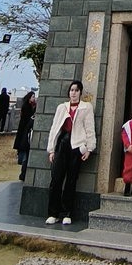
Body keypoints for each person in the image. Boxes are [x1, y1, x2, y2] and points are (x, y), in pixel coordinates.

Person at [45, 80, 96, 225]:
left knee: (71, 181)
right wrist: (51, 149)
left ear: (80, 93)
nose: (73, 93)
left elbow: (89, 128)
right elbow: (54, 129)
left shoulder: (86, 108)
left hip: (77, 146)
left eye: (76, 90)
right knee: (56, 179)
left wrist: (90, 148)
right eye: (71, 90)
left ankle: (67, 213)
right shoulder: (62, 107)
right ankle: (53, 213)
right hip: (62, 143)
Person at [13, 90, 37, 181]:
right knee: (25, 155)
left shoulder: (32, 106)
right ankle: (23, 173)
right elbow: (25, 120)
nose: (34, 99)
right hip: (25, 132)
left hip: (27, 132)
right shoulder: (26, 107)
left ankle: (23, 173)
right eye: (33, 97)